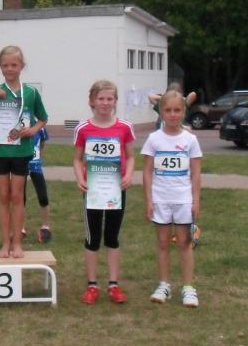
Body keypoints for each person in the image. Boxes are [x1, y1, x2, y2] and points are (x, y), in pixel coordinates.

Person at [0, 45, 47, 258]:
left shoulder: (30, 92)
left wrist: (33, 130)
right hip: (0, 151)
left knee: (17, 196)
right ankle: (5, 243)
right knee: (3, 197)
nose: (10, 69)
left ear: (21, 66)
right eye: (6, 65)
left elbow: (43, 118)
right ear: (0, 67)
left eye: (14, 65)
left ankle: (17, 243)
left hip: (21, 151)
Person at [73, 80, 135, 305]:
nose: (105, 103)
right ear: (92, 101)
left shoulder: (124, 127)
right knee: (92, 238)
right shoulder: (83, 129)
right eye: (101, 98)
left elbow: (131, 156)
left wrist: (129, 175)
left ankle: (113, 284)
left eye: (110, 99)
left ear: (115, 101)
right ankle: (92, 285)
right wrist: (80, 179)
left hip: (116, 189)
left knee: (112, 236)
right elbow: (77, 159)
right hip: (93, 190)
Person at [142, 89, 203, 307]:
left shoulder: (190, 140)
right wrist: (149, 200)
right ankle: (164, 285)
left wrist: (196, 200)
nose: (173, 114)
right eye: (168, 110)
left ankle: (188, 287)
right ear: (161, 112)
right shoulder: (154, 139)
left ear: (184, 111)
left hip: (183, 199)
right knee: (162, 242)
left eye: (177, 110)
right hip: (161, 199)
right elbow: (147, 172)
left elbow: (196, 173)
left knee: (185, 243)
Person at [25, 127, 52, 243]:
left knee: (43, 196)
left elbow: (42, 144)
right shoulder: (20, 122)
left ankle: (45, 226)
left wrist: (37, 157)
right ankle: (20, 227)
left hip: (35, 165)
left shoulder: (40, 127)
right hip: (21, 164)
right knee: (20, 197)